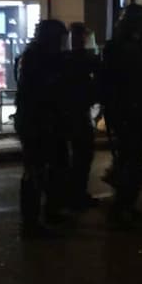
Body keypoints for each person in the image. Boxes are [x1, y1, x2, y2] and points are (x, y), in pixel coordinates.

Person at [100, 4, 142, 228]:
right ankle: (120, 210)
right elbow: (115, 83)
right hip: (125, 111)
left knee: (132, 160)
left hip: (132, 110)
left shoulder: (132, 47)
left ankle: (127, 207)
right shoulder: (119, 48)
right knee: (130, 161)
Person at [16, 20, 70, 238]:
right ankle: (31, 224)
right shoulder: (38, 57)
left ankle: (51, 211)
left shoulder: (40, 54)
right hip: (37, 122)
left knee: (57, 167)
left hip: (46, 121)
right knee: (35, 171)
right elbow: (45, 90)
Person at [63, 22, 100, 211]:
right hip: (76, 113)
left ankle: (72, 195)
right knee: (82, 155)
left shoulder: (65, 58)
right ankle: (75, 196)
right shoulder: (78, 59)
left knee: (77, 157)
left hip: (72, 113)